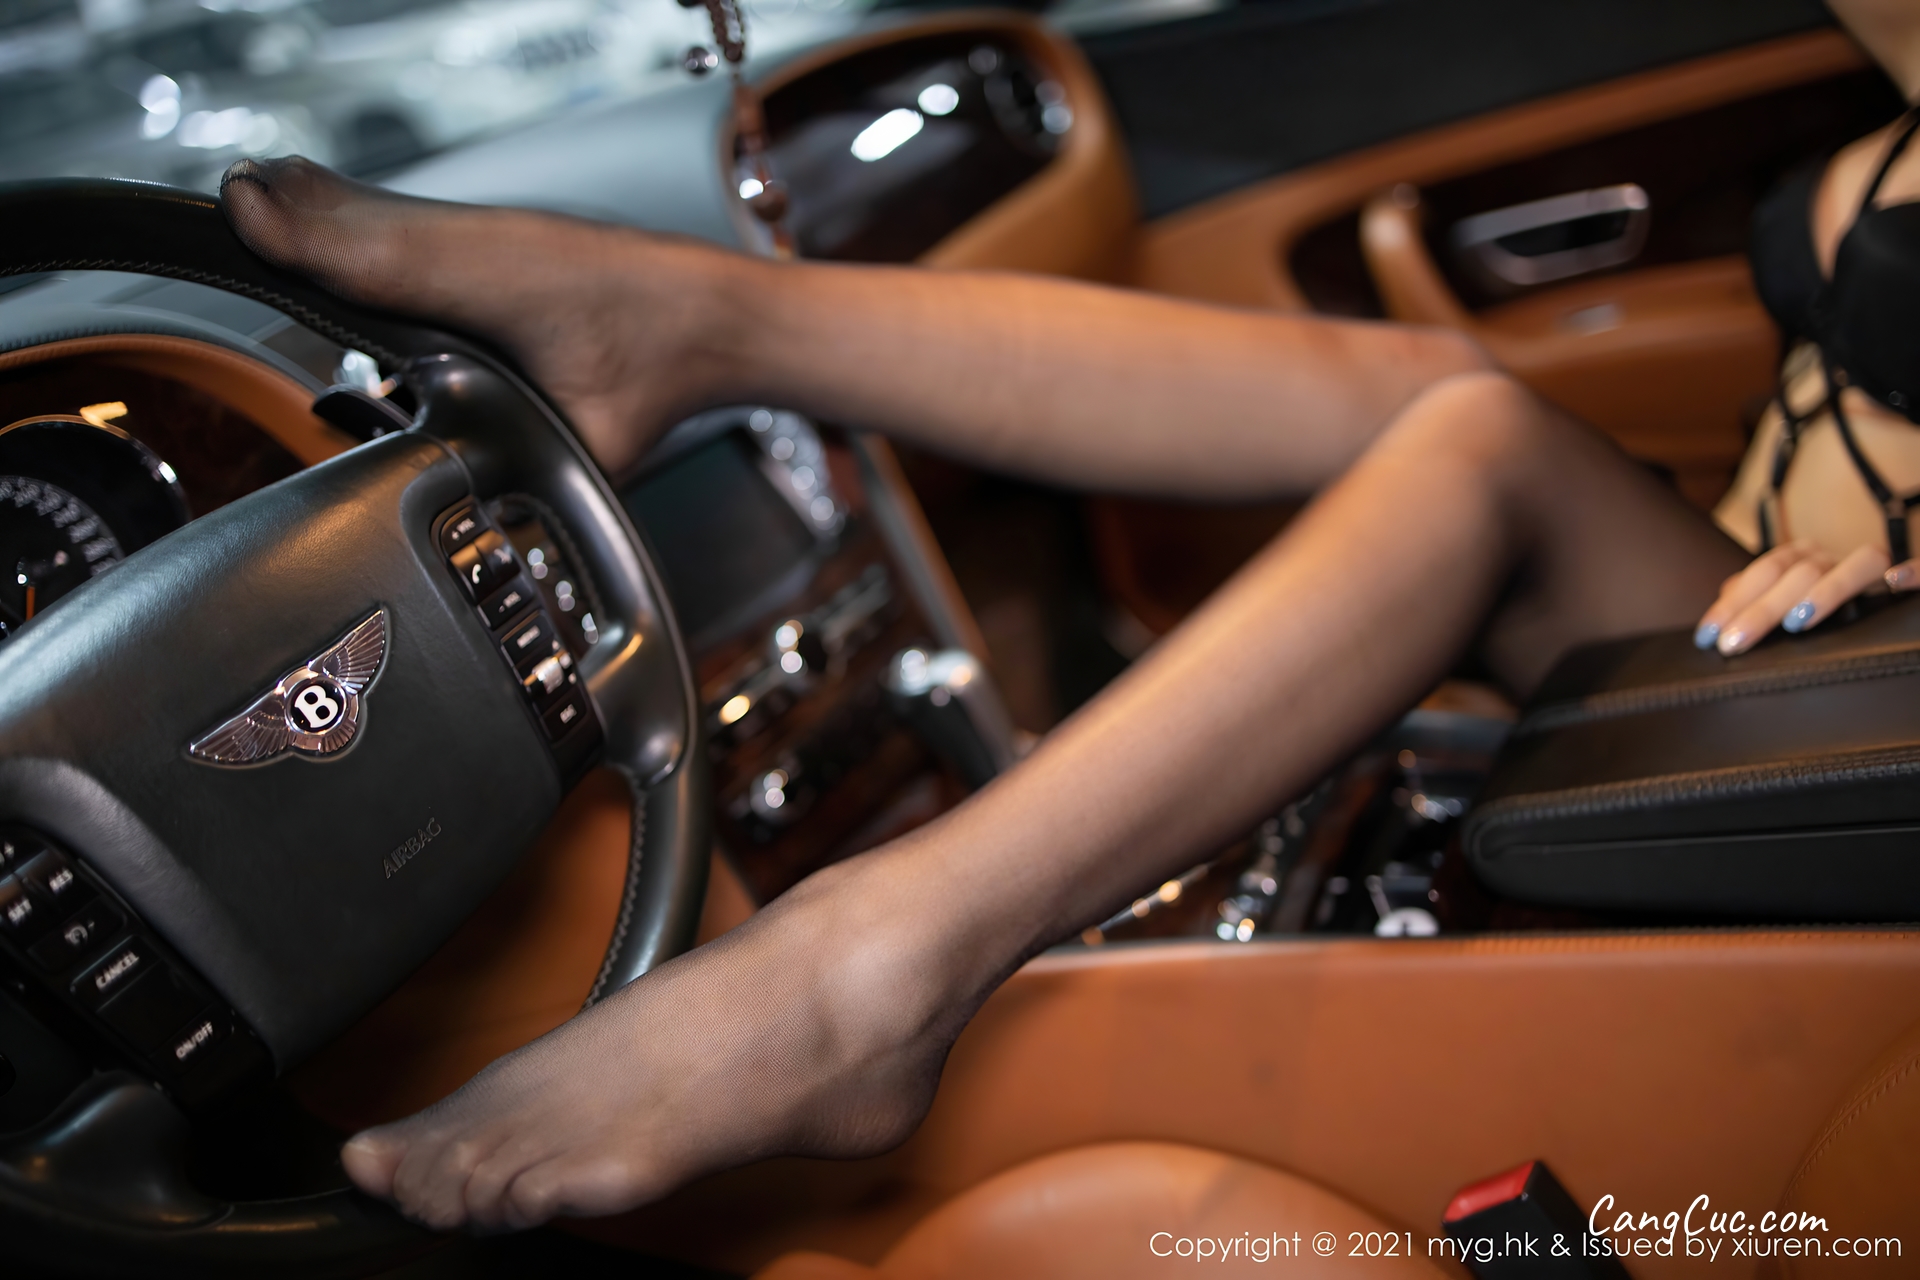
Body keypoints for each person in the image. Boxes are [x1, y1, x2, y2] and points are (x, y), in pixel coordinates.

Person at [217, 0, 1918, 1233]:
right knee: (1436, 381)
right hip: (1762, 604)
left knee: (1482, 450)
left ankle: (864, 977)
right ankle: (691, 324)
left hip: (1863, 678)